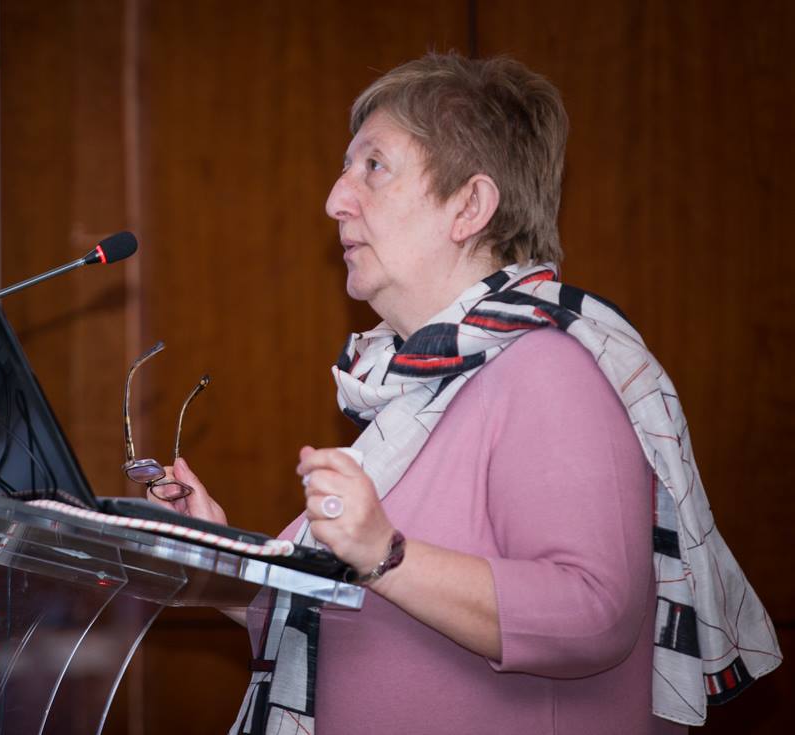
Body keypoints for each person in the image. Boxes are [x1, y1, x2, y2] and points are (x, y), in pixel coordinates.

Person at [149, 53, 780, 734]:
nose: (335, 199)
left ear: (470, 206)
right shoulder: (419, 392)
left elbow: (594, 612)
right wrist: (215, 559)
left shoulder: (551, 368)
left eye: (373, 166)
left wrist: (385, 554)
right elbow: (342, 616)